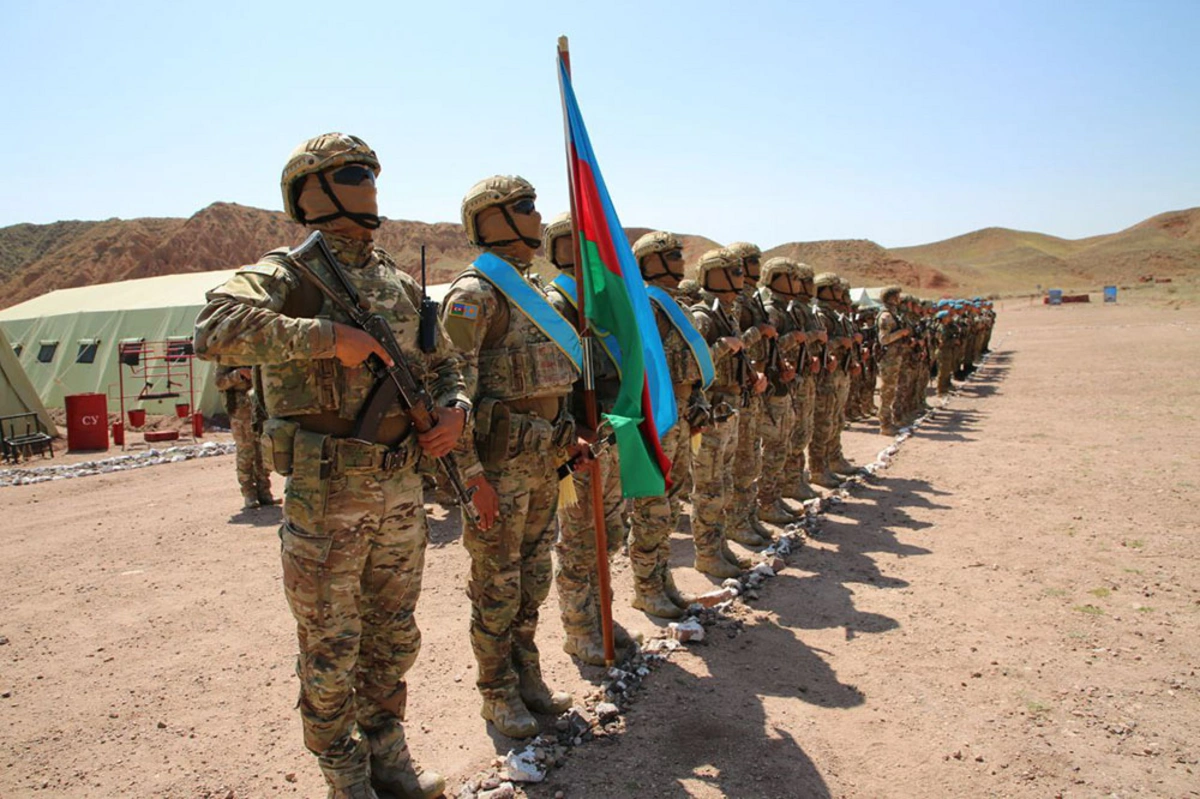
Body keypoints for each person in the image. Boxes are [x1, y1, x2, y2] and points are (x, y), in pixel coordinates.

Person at [195, 133, 465, 799]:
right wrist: (325, 338)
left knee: (393, 636)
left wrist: (455, 409)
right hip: (328, 494)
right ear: (310, 190)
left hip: (400, 489)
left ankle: (387, 750)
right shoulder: (289, 273)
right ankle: (344, 771)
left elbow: (445, 364)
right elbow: (214, 327)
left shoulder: (398, 283)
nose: (370, 181)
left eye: (372, 170)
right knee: (330, 644)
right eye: (353, 171)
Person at [440, 176, 582, 738]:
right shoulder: (474, 295)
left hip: (543, 463)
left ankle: (528, 677)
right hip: (498, 471)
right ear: (492, 219)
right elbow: (451, 392)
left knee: (534, 579)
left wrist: (569, 439)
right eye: (525, 207)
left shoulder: (535, 292)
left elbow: (551, 385)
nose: (537, 217)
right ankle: (497, 692)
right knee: (497, 586)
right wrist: (471, 478)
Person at [541, 212, 634, 661]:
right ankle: (579, 630)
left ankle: (601, 613)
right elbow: (548, 381)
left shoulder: (607, 307)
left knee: (610, 532)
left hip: (612, 433)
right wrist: (568, 431)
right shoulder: (554, 305)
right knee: (580, 541)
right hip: (577, 443)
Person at [628, 230, 713, 617]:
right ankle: (646, 588)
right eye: (673, 255)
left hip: (680, 410)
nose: (681, 261)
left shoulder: (674, 305)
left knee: (671, 502)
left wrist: (695, 402)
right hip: (657, 415)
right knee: (651, 507)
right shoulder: (647, 304)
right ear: (652, 261)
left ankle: (663, 581)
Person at [689, 247, 767, 578]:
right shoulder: (703, 316)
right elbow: (691, 365)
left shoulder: (726, 312)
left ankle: (720, 547)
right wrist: (723, 347)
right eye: (733, 272)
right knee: (708, 487)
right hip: (710, 410)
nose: (741, 278)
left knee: (723, 483)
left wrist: (751, 374)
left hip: (730, 406)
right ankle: (707, 554)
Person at [727, 242, 776, 547]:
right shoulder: (733, 300)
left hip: (754, 384)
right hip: (740, 387)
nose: (757, 267)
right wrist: (760, 331)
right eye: (751, 262)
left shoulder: (753, 298)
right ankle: (736, 521)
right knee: (741, 460)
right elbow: (735, 343)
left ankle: (747, 516)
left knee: (751, 456)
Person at [755, 257, 808, 524]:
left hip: (784, 384)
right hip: (772, 389)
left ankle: (774, 498)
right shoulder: (771, 310)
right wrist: (793, 339)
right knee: (773, 447)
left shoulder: (784, 309)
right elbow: (764, 351)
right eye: (792, 277)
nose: (798, 283)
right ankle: (765, 502)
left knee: (783, 445)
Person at [213, 365, 273, 508]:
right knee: (245, 451)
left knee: (263, 451)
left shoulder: (257, 354)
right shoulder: (227, 357)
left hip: (260, 408)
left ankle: (264, 491)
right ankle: (249, 493)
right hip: (240, 411)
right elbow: (219, 383)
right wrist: (238, 374)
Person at [875, 285, 908, 435]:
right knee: (887, 391)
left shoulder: (894, 315)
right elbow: (883, 339)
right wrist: (900, 333)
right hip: (888, 359)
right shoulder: (886, 317)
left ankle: (889, 421)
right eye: (897, 296)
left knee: (891, 390)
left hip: (894, 358)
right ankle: (885, 424)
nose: (899, 299)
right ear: (891, 298)